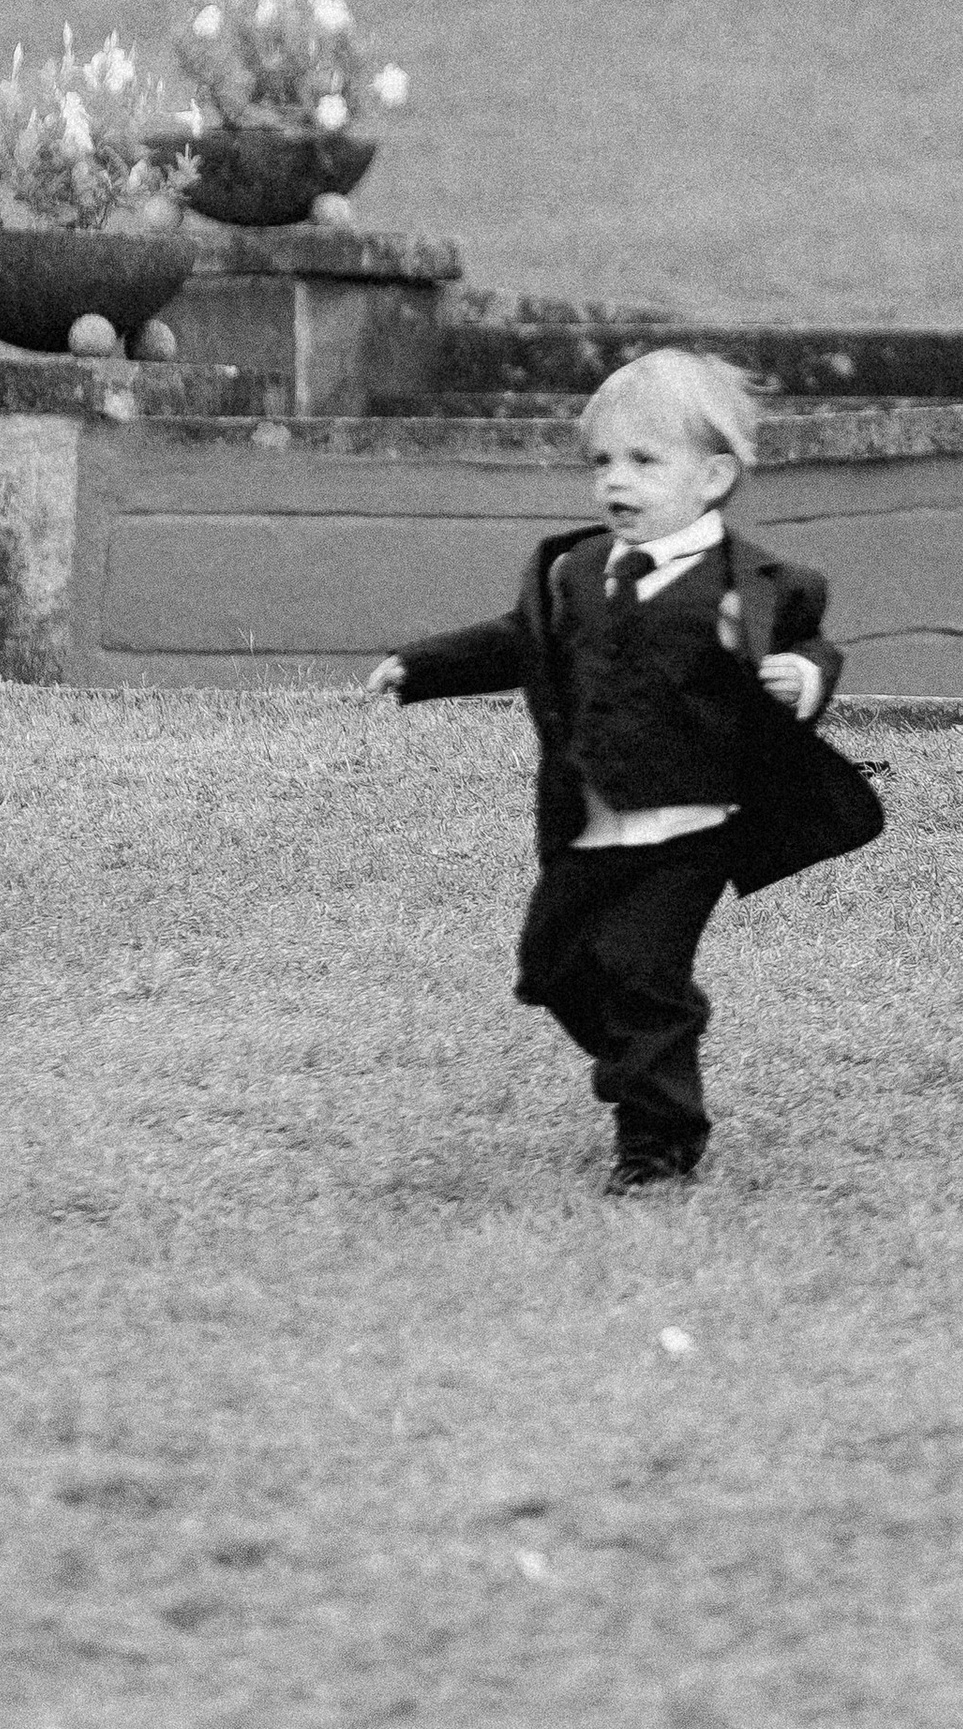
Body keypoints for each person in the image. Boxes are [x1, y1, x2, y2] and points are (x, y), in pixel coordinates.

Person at [368, 350, 882, 1187]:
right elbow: (518, 640)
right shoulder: (574, 572)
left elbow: (805, 645)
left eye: (644, 462)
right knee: (555, 971)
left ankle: (658, 1144)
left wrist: (806, 678)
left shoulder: (754, 585)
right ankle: (656, 1045)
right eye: (602, 462)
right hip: (587, 823)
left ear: (713, 477)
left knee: (642, 970)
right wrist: (422, 666)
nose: (618, 482)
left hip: (689, 831)